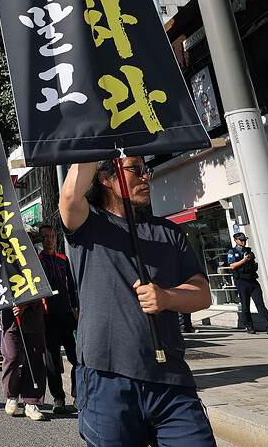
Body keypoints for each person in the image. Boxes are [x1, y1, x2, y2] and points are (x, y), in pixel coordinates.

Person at [59, 157, 215, 447]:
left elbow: (202, 294)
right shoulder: (88, 225)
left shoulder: (169, 232)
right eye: (136, 169)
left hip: (172, 381)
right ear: (106, 178)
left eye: (147, 170)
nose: (146, 177)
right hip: (106, 380)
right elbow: (69, 196)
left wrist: (167, 297)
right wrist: (93, 134)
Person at [37, 224, 79, 414]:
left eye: (52, 236)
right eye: (45, 236)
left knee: (76, 358)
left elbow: (72, 288)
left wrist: (75, 308)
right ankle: (58, 399)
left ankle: (79, 396)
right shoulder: (36, 261)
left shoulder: (63, 259)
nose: (49, 239)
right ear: (40, 240)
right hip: (47, 317)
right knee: (52, 362)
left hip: (66, 315)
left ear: (56, 238)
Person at [1, 299, 48, 421]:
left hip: (33, 318)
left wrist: (26, 304)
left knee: (35, 360)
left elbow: (42, 286)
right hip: (10, 319)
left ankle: (31, 402)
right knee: (12, 358)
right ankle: (12, 397)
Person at [226, 233, 268, 335]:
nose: (243, 241)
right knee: (245, 305)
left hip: (252, 280)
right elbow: (232, 266)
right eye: (241, 240)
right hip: (242, 282)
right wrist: (243, 260)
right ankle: (249, 326)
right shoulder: (232, 252)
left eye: (244, 239)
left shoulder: (249, 251)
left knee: (260, 304)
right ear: (235, 240)